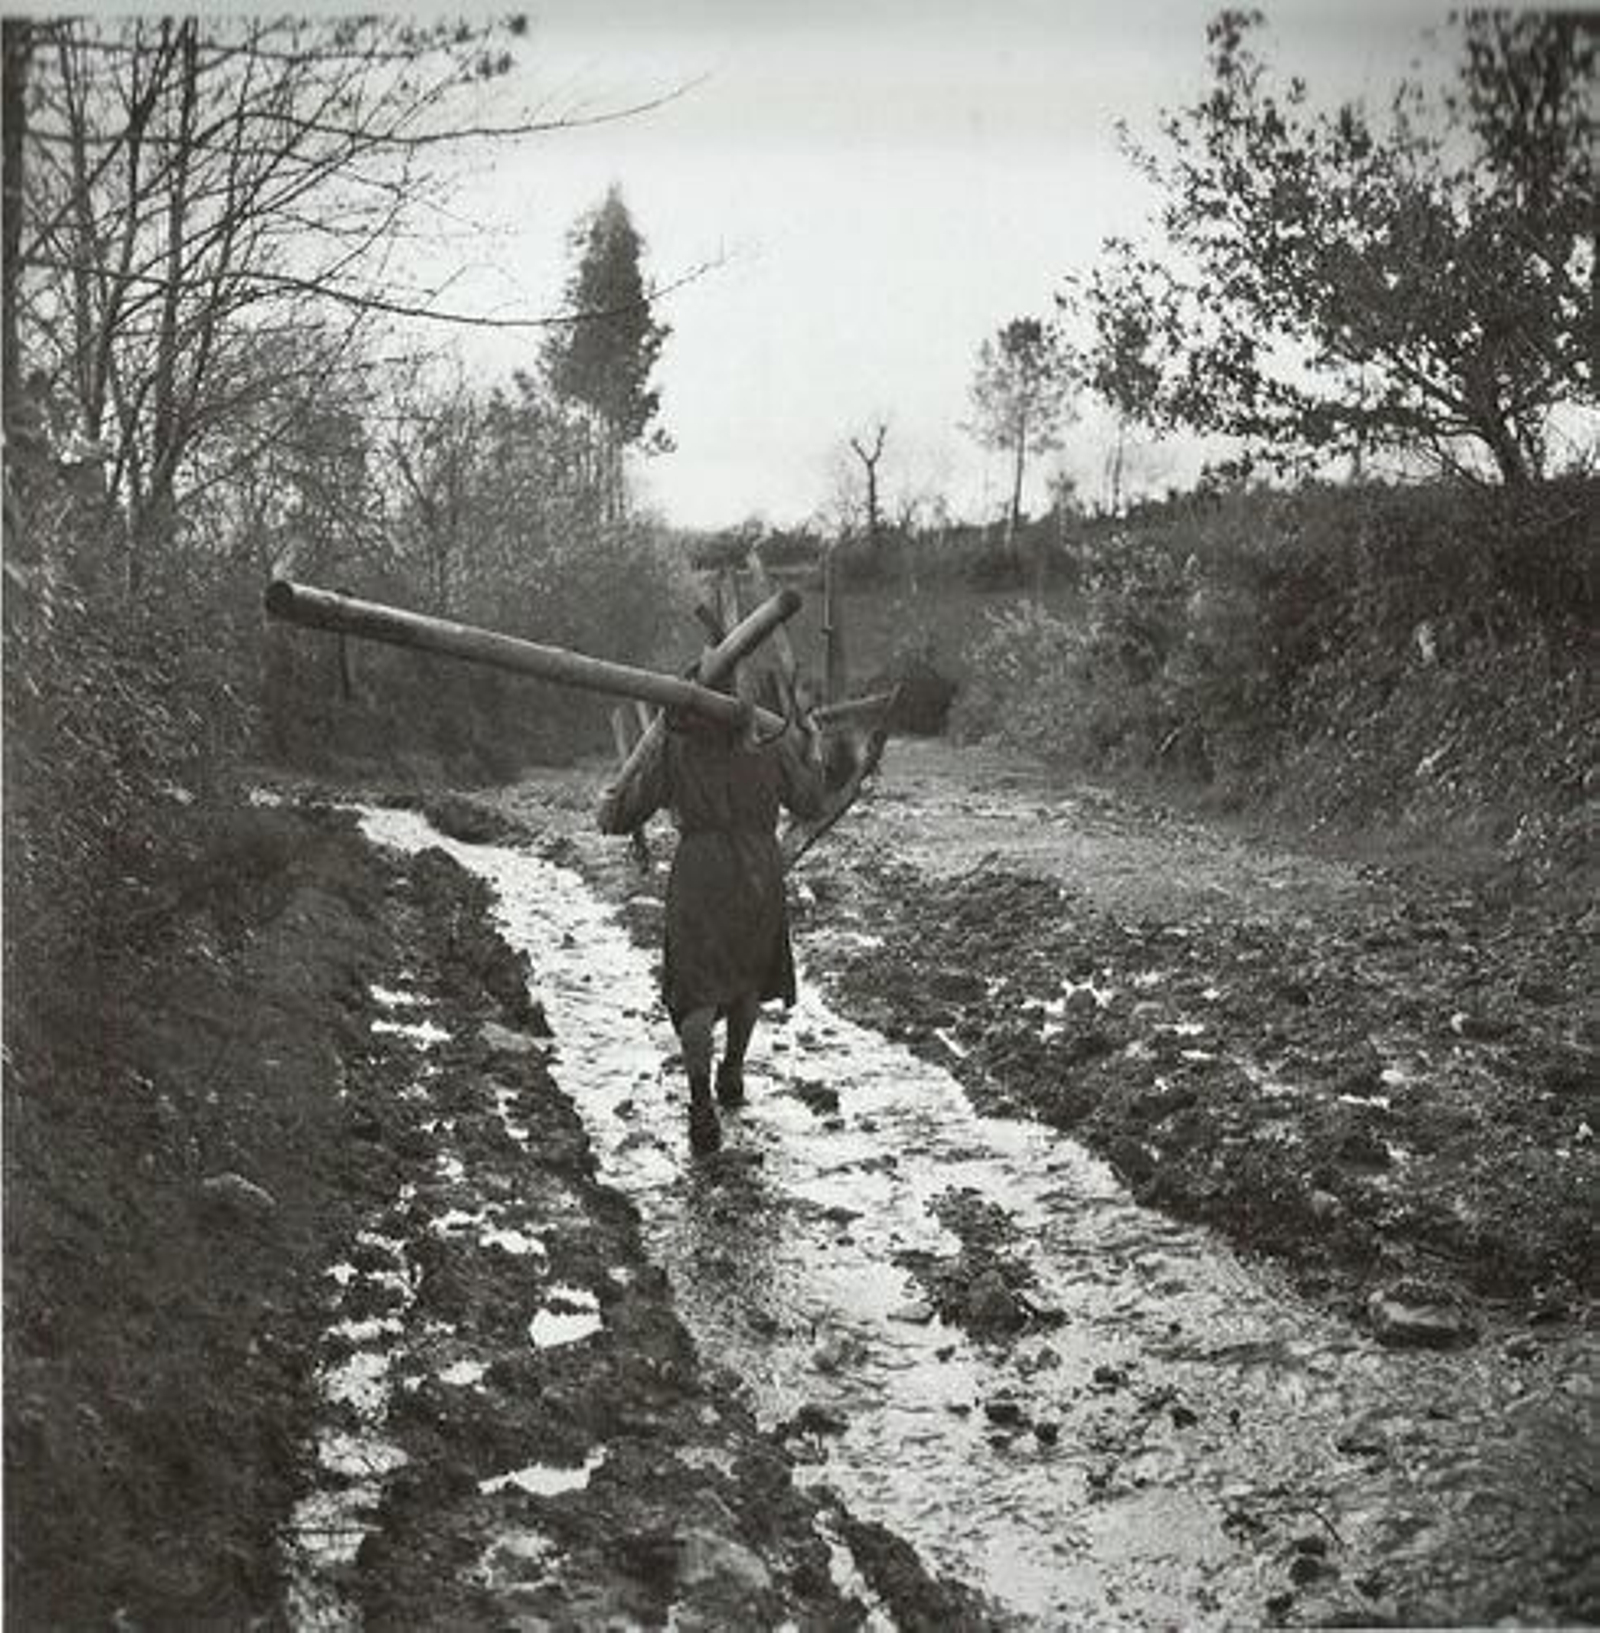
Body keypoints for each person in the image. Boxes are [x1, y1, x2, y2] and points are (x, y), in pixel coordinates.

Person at [598, 674, 829, 1156]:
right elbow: (809, 801)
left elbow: (621, 816)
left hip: (702, 870)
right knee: (746, 976)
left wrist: (610, 804)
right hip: (758, 868)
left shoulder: (676, 746)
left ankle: (701, 1099)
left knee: (696, 988)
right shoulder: (768, 744)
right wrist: (813, 746)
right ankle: (733, 1073)